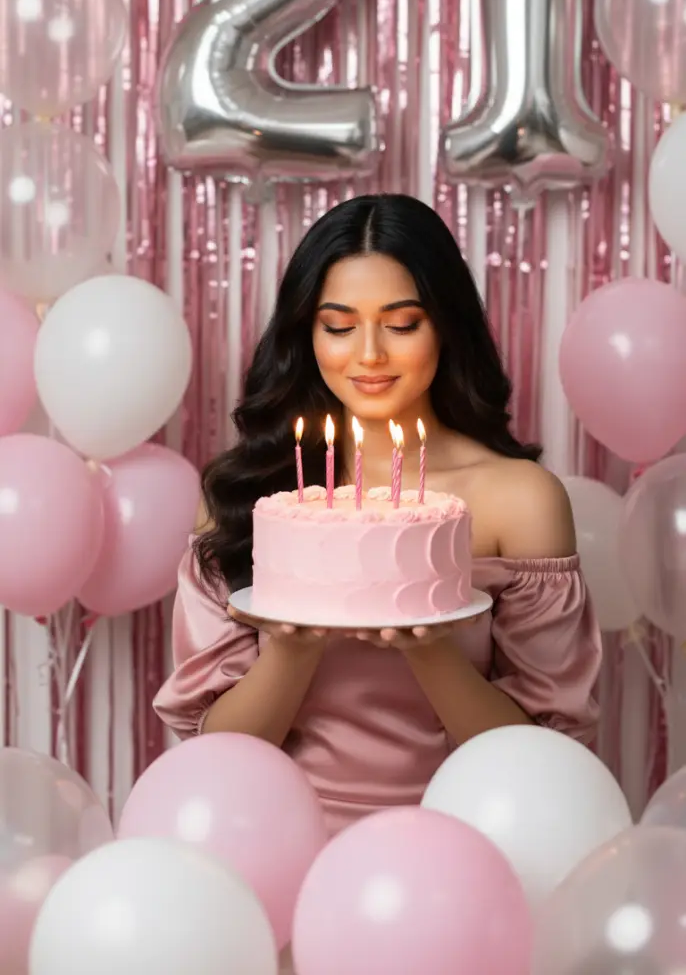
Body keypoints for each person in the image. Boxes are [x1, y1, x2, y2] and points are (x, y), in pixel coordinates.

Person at [154, 192, 601, 838]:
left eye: (402, 324)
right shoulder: (250, 494)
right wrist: (292, 647)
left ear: (445, 326)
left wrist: (431, 648)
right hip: (279, 843)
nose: (369, 355)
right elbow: (215, 753)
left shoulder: (519, 499)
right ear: (306, 334)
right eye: (339, 326)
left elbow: (542, 757)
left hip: (462, 845)